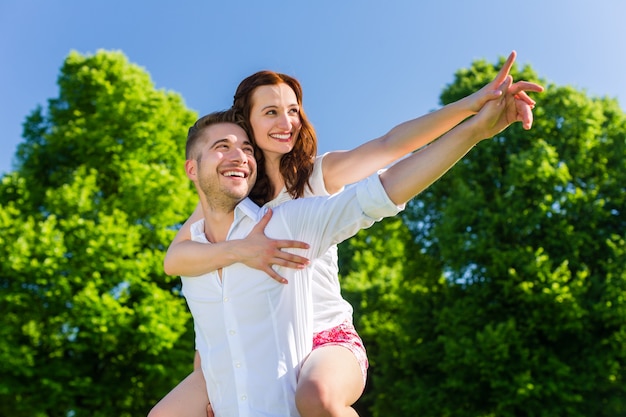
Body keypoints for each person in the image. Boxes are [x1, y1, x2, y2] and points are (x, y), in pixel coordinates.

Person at [149, 52, 543, 417]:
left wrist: (471, 106)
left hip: (324, 336)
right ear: (244, 122)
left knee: (316, 397)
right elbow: (182, 263)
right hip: (259, 344)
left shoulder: (316, 178)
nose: (286, 123)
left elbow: (392, 147)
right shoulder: (232, 201)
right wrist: (242, 252)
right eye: (271, 112)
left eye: (292, 111)